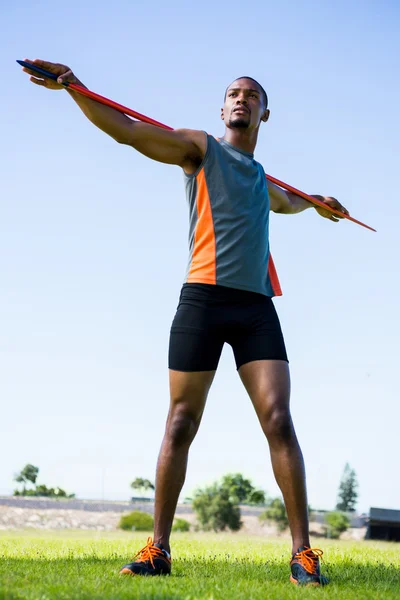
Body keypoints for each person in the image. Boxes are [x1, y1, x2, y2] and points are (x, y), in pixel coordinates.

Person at [22, 59, 349, 586]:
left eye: (252, 94)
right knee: (180, 423)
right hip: (202, 299)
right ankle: (158, 549)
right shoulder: (201, 149)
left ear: (266, 112)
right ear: (223, 109)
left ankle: (303, 554)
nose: (241, 98)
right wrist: (75, 89)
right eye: (233, 93)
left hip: (255, 307)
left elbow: (286, 203)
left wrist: (317, 205)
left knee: (280, 420)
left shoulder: (264, 177)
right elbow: (129, 132)